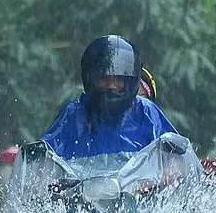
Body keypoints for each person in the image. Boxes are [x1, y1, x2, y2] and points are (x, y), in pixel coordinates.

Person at [40, 35, 176, 163]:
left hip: (137, 189)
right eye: (104, 78)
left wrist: (163, 176)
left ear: (130, 81)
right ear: (91, 79)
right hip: (82, 188)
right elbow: (45, 156)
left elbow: (176, 155)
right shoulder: (74, 113)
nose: (111, 85)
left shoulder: (146, 111)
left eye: (118, 79)